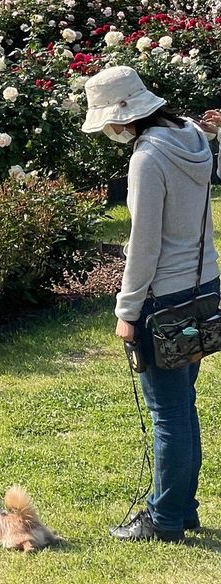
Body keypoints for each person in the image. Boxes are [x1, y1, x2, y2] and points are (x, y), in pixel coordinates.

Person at [81, 68, 219, 544]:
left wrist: (126, 310)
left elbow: (144, 246)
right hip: (204, 290)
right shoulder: (195, 137)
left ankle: (163, 518)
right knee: (183, 407)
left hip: (164, 300)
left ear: (122, 116)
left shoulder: (147, 159)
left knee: (168, 413)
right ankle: (182, 510)